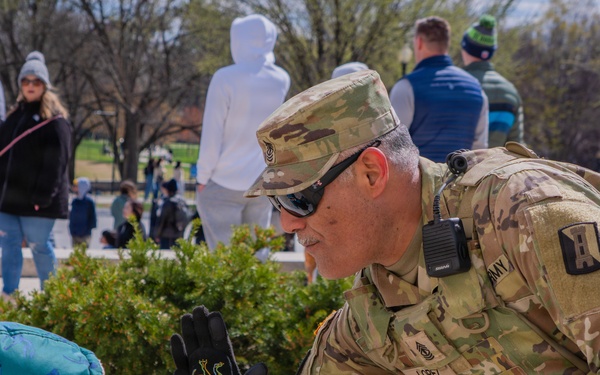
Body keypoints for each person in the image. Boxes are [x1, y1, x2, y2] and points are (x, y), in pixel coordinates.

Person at [171, 70, 600, 374]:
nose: (286, 224)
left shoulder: (526, 214)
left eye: (298, 198)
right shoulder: (369, 313)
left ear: (372, 173)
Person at [195, 14, 291, 250]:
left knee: (224, 259)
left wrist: (202, 178)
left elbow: (212, 135)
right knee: (256, 254)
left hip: (222, 179)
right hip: (260, 179)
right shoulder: (281, 79)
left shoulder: (224, 78)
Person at [0, 51, 71, 298]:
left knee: (39, 246)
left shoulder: (54, 121)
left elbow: (57, 163)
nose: (30, 86)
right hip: (9, 200)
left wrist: (42, 198)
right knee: (8, 246)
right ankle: (9, 295)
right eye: (26, 81)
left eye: (36, 81)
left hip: (38, 202)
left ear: (45, 85)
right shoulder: (14, 115)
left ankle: (51, 298)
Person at [389, 16, 489, 162]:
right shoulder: (476, 90)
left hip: (419, 182)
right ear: (447, 44)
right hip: (461, 182)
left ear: (419, 42)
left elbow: (393, 147)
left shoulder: (406, 87)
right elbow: (480, 150)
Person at [461, 14, 525, 148]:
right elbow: (517, 146)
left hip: (457, 167)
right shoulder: (511, 92)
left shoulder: (455, 85)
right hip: (497, 168)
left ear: (465, 48)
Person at [155, 178, 186, 249]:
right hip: (179, 234)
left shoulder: (167, 203)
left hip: (166, 236)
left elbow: (161, 220)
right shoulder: (182, 201)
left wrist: (157, 234)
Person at [68, 177, 97, 247]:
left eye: (76, 186)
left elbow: (92, 217)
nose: (74, 187)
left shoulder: (89, 202)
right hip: (74, 233)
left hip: (85, 233)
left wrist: (88, 229)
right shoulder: (75, 201)